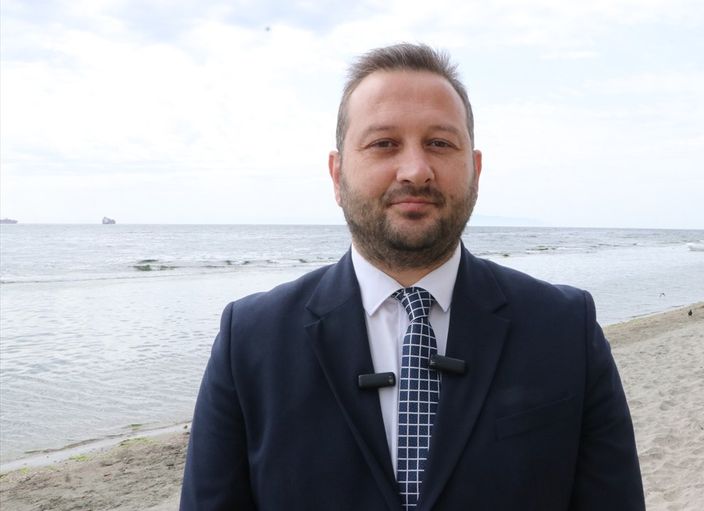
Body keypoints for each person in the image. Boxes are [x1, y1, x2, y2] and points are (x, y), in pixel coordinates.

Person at [180, 43, 645, 510]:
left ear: (475, 170)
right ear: (337, 174)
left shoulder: (565, 329)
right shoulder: (250, 341)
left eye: (439, 143)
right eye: (384, 143)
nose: (416, 171)